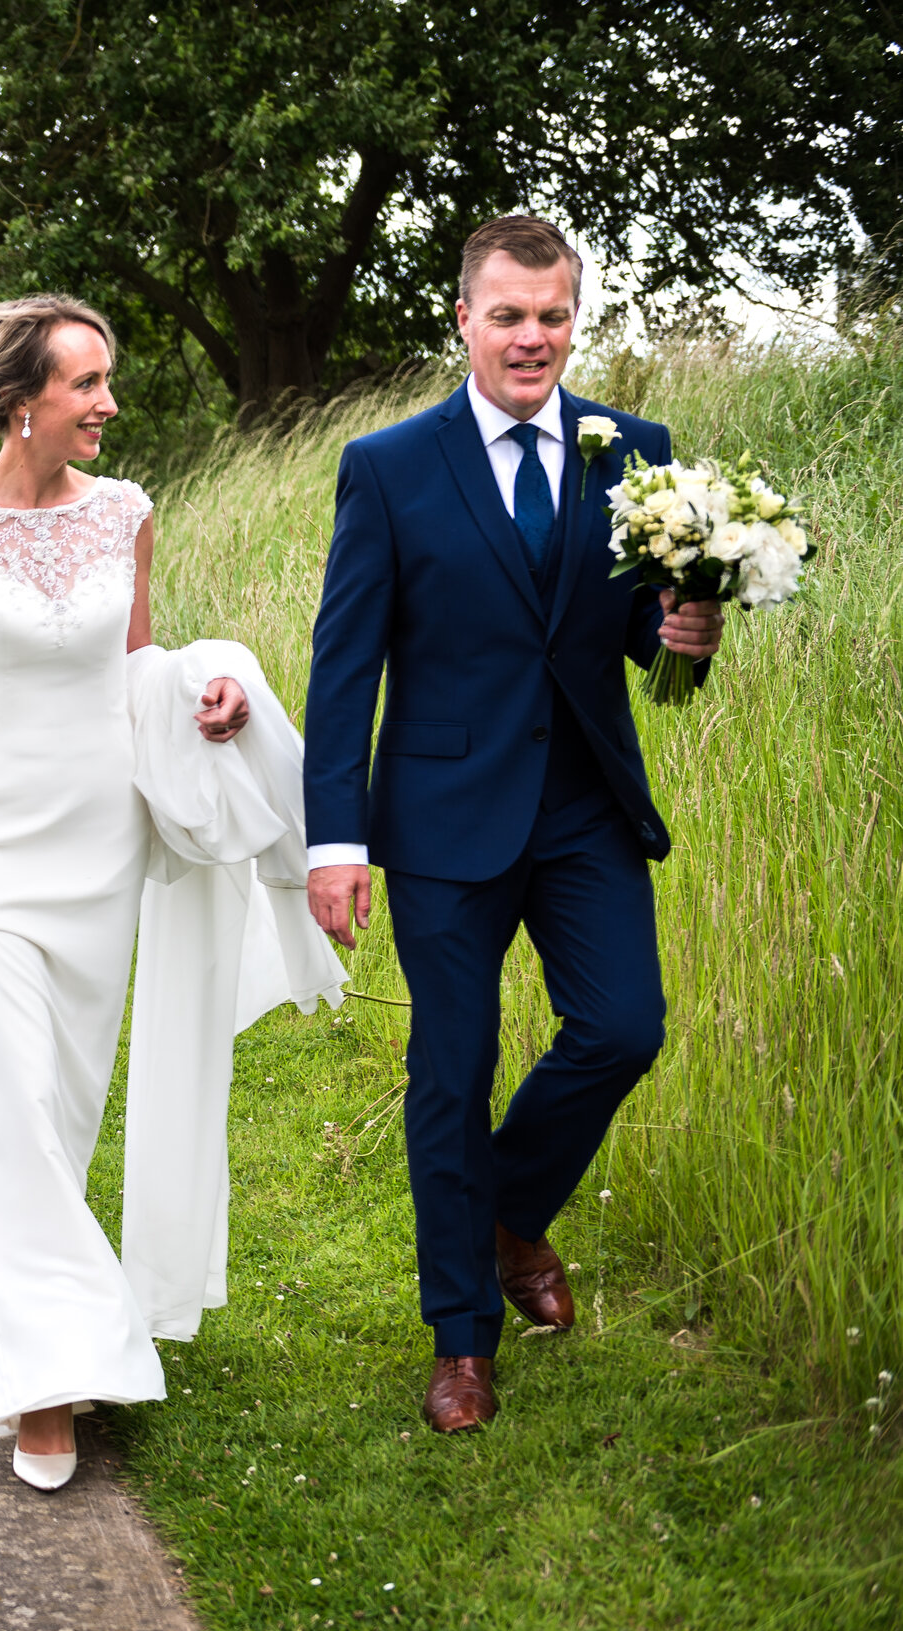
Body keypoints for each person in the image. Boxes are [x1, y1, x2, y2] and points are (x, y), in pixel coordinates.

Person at [301, 216, 725, 1434]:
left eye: (551, 314)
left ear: (571, 318)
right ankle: (459, 1341)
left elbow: (648, 646)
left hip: (585, 805)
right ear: (464, 321)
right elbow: (346, 666)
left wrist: (684, 640)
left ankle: (504, 1218)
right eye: (508, 314)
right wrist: (336, 839)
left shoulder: (631, 450)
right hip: (439, 814)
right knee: (452, 1067)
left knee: (621, 1027)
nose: (531, 336)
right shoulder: (386, 465)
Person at [0, 295, 254, 1492]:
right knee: (16, 1105)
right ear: (19, 398)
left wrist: (210, 695)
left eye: (106, 379)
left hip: (100, 849)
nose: (108, 404)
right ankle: (49, 1377)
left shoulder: (127, 516)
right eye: (86, 383)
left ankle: (53, 1324)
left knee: (66, 1107)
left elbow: (139, 666)